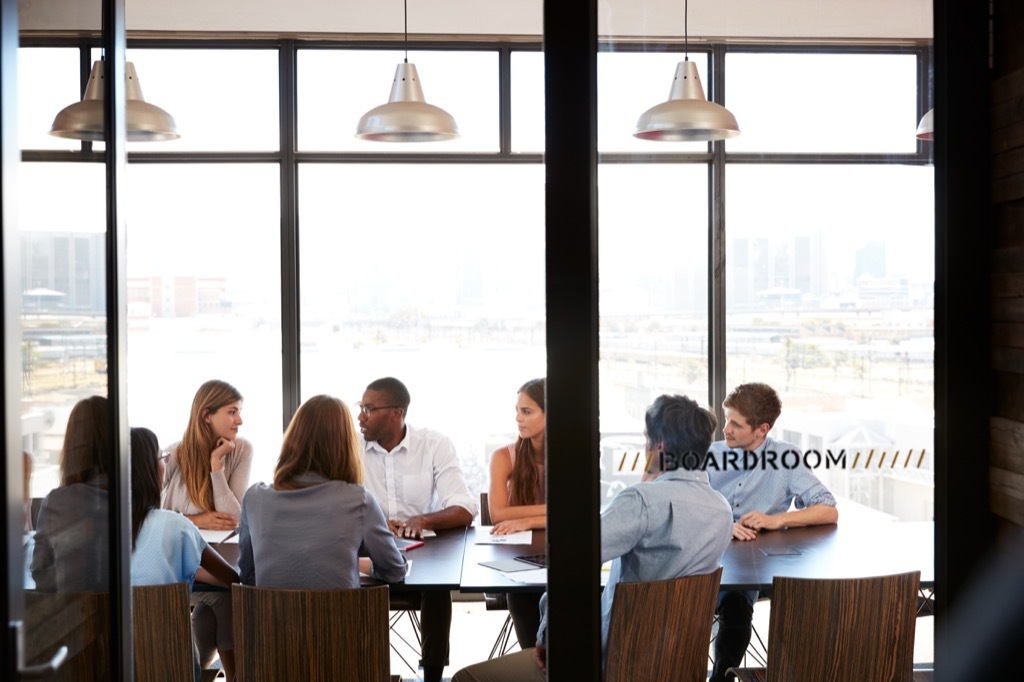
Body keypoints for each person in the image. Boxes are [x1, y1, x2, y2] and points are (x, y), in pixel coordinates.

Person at [451, 393, 733, 682]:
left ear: (659, 445)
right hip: (676, 666)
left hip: (606, 662)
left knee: (466, 678)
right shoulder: (722, 509)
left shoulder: (642, 502)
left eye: (647, 439)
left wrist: (548, 636)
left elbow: (570, 566)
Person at [706, 382, 839, 682]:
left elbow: (828, 510)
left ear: (761, 429)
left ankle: (721, 679)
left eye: (735, 424)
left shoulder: (786, 458)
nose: (725, 429)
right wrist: (724, 524)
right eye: (727, 419)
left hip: (754, 565)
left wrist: (776, 520)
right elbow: (685, 505)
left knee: (737, 608)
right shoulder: (709, 456)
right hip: (707, 555)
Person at [359, 377, 478, 682]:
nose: (360, 416)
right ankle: (361, 669)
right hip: (367, 550)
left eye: (369, 409)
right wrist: (377, 524)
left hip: (425, 552)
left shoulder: (434, 445)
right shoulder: (351, 447)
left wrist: (423, 520)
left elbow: (464, 508)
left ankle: (433, 676)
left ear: (396, 413)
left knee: (437, 588)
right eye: (360, 408)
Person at [237, 394, 407, 588]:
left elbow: (248, 575)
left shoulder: (254, 498)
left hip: (269, 618)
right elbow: (395, 571)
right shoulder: (359, 500)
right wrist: (358, 565)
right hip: (343, 618)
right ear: (346, 444)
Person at [129, 426, 240, 682]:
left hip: (117, 663)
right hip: (172, 664)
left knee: (204, 612)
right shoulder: (176, 526)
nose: (165, 464)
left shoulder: (100, 528)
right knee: (215, 606)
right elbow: (231, 578)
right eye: (162, 458)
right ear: (152, 469)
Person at [161, 379, 252, 681]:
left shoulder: (240, 451)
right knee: (227, 595)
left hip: (216, 556)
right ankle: (234, 674)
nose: (239, 420)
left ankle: (201, 670)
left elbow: (231, 517)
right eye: (232, 411)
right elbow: (155, 516)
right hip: (180, 559)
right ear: (206, 415)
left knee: (213, 608)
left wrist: (216, 467)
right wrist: (197, 520)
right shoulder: (173, 455)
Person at [487, 377, 546, 648]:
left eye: (526, 411)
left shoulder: (575, 455)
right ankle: (533, 661)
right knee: (521, 595)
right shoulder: (503, 456)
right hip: (518, 559)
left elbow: (582, 514)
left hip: (562, 555)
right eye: (517, 411)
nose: (518, 419)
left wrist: (526, 520)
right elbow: (498, 514)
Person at [31, 396, 112, 592]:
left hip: (73, 616)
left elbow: (40, 571)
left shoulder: (56, 502)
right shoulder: (129, 499)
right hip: (125, 617)